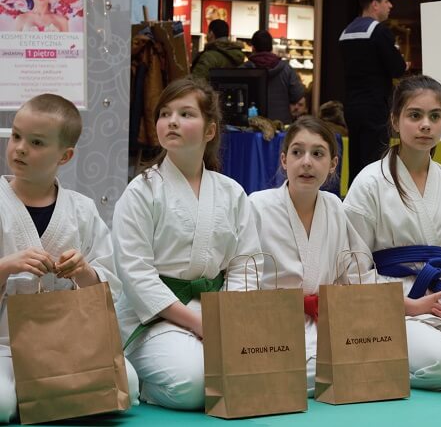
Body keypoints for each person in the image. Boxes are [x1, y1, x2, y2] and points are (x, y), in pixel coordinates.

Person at [113, 77, 261, 410]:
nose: (172, 121)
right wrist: (199, 324)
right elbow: (136, 274)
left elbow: (246, 264)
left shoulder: (231, 192)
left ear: (210, 130)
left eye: (185, 114)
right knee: (195, 383)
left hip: (215, 312)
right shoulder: (141, 191)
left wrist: (226, 318)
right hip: (152, 318)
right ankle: (140, 382)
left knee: (269, 366)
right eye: (165, 114)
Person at [0, 94, 139, 423]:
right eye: (16, 136)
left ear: (65, 155)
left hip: (68, 342)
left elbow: (109, 289)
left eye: (36, 142)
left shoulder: (82, 210)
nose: (20, 148)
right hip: (5, 346)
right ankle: (52, 396)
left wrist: (83, 271)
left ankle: (43, 395)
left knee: (130, 385)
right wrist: (7, 266)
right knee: (2, 403)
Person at [343, 75, 441, 391]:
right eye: (415, 115)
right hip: (394, 305)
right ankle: (378, 359)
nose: (426, 125)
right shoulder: (369, 183)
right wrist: (410, 304)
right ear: (395, 121)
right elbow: (353, 268)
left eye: (435, 116)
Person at [250, 116, 369, 396]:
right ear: (284, 160)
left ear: (333, 164)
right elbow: (241, 275)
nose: (306, 162)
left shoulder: (335, 208)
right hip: (270, 323)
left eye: (318, 154)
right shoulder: (257, 205)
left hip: (323, 321)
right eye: (297, 152)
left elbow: (353, 274)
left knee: (367, 360)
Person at [339, 0, 407, 185]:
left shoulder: (346, 32)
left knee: (355, 159)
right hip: (374, 105)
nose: (390, 6)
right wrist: (403, 64)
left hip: (352, 106)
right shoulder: (378, 31)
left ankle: (354, 197)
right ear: (375, 5)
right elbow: (397, 68)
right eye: (387, 1)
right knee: (374, 161)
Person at [242, 29, 305, 123]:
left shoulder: (244, 70)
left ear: (253, 48)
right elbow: (297, 95)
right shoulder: (286, 69)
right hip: (280, 124)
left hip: (252, 125)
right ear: (271, 48)